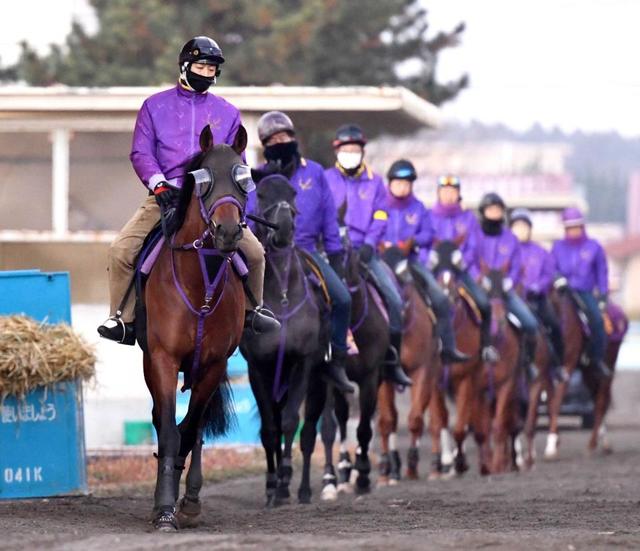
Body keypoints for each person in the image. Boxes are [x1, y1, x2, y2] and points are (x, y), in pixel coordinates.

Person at [97, 36, 279, 345]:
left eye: (211, 69)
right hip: (166, 196)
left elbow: (239, 166)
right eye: (201, 66)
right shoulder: (154, 106)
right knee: (121, 251)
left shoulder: (228, 112)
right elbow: (141, 153)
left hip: (214, 199)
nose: (207, 73)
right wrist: (157, 184)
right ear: (184, 67)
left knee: (256, 254)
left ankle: (252, 312)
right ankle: (122, 319)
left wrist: (240, 209)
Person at [248, 111, 355, 394]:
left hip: (307, 250)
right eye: (272, 139)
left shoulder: (315, 172)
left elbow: (330, 220)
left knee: (342, 299)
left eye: (285, 137)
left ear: (294, 139)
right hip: (268, 254)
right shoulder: (257, 176)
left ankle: (336, 360)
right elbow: (247, 215)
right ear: (265, 145)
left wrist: (336, 260)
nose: (280, 142)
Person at [324, 124, 412, 387]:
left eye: (355, 149)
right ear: (337, 151)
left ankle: (391, 362)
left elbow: (381, 215)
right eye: (345, 149)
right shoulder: (325, 178)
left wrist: (371, 243)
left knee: (394, 299)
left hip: (365, 251)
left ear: (362, 151)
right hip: (332, 251)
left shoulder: (375, 182)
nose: (350, 153)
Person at [381, 159, 470, 364]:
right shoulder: (380, 204)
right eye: (398, 182)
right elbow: (372, 227)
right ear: (390, 183)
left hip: (410, 262)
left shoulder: (419, 208)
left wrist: (413, 242)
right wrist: (380, 244)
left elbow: (428, 234)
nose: (402, 187)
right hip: (382, 261)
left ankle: (447, 347)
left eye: (407, 183)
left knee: (439, 296)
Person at [429, 175, 499, 363]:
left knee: (484, 304)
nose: (449, 195)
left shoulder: (468, 218)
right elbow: (423, 242)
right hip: (434, 271)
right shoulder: (429, 216)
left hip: (460, 272)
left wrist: (462, 261)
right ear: (438, 193)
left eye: (453, 192)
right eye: (445, 191)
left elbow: (474, 246)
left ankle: (486, 346)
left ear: (459, 194)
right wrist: (430, 259)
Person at [472, 193, 539, 377]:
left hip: (504, 292)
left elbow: (517, 265)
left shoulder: (511, 238)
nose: (494, 213)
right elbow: (469, 260)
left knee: (530, 323)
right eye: (490, 209)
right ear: (483, 212)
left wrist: (511, 280)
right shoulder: (475, 235)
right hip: (480, 289)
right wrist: (478, 278)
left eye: (497, 210)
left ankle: (528, 363)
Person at [551, 207, 611, 379]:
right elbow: (551, 266)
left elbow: (602, 273)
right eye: (569, 227)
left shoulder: (594, 247)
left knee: (597, 321)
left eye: (576, 226)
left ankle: (596, 359)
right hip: (562, 292)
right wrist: (557, 277)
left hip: (584, 292)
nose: (573, 230)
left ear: (582, 226)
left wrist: (602, 296)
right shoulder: (558, 247)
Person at [509, 208, 568, 382]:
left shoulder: (540, 252)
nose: (521, 230)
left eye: (524, 227)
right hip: (510, 298)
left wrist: (537, 287)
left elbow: (548, 275)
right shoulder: (505, 249)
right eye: (517, 226)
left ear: (530, 229)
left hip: (536, 299)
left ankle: (558, 365)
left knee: (554, 326)